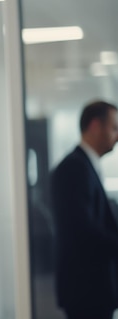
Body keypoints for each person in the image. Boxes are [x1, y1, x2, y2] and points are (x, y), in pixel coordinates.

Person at [51, 100, 118, 319]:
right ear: (95, 126)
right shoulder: (74, 168)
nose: (117, 136)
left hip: (92, 290)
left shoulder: (85, 166)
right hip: (86, 291)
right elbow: (83, 231)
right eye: (114, 128)